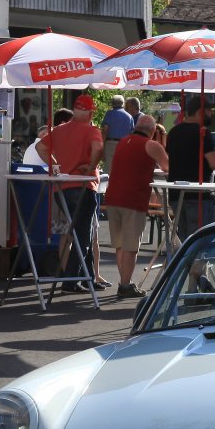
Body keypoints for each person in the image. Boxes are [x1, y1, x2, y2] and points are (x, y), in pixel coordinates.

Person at [37, 92, 106, 292]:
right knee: (83, 236)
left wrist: (55, 166)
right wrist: (91, 167)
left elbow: (41, 147)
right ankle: (71, 280)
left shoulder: (59, 130)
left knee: (77, 233)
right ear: (91, 113)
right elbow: (98, 148)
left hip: (62, 188)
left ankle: (85, 278)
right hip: (84, 186)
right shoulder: (91, 130)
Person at [105, 113, 168, 299]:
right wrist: (162, 144)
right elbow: (167, 166)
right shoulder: (151, 145)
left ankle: (124, 282)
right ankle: (125, 285)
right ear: (153, 130)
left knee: (120, 244)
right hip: (133, 198)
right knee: (131, 245)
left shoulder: (122, 141)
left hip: (113, 196)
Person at [163, 96, 215, 241]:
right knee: (200, 242)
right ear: (200, 112)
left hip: (177, 194)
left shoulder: (173, 132)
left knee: (184, 240)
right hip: (199, 194)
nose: (212, 114)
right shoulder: (202, 133)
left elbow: (169, 159)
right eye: (209, 110)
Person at [100, 94, 134, 176]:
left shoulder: (109, 114)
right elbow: (132, 135)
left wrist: (102, 147)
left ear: (112, 104)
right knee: (121, 170)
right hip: (124, 145)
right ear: (123, 104)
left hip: (110, 144)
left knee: (109, 171)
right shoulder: (129, 117)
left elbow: (105, 131)